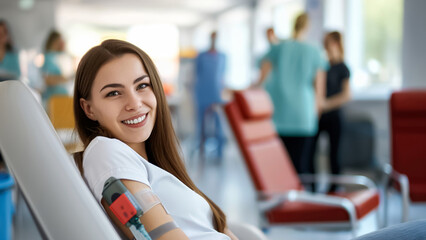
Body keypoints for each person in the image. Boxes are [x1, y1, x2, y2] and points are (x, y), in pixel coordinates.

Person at [73, 39, 237, 240]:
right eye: (114, 93)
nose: (134, 103)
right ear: (88, 109)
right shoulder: (106, 152)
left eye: (142, 85)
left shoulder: (154, 165)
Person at [256, 12, 326, 175]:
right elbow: (319, 89)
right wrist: (317, 112)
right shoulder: (314, 51)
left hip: (280, 114)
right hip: (304, 115)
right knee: (302, 166)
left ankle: (286, 199)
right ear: (307, 27)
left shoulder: (279, 48)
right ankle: (300, 199)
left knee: (281, 168)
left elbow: (261, 78)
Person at [311, 31, 351, 192]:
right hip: (319, 116)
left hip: (334, 116)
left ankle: (334, 188)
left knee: (334, 155)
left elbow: (346, 95)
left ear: (335, 44)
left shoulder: (343, 68)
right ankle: (311, 187)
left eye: (327, 43)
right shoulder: (322, 66)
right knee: (311, 152)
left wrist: (326, 104)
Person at [194, 31, 227, 160]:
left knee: (218, 123)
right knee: (200, 123)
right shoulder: (201, 55)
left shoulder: (223, 56)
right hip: (202, 93)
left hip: (216, 95)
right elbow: (198, 73)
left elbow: (223, 75)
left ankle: (219, 152)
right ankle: (201, 149)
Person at [41, 30, 70, 107]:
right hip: (54, 100)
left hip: (63, 99)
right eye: (61, 41)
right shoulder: (49, 57)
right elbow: (48, 80)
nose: (63, 43)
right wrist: (65, 79)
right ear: (55, 42)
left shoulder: (60, 57)